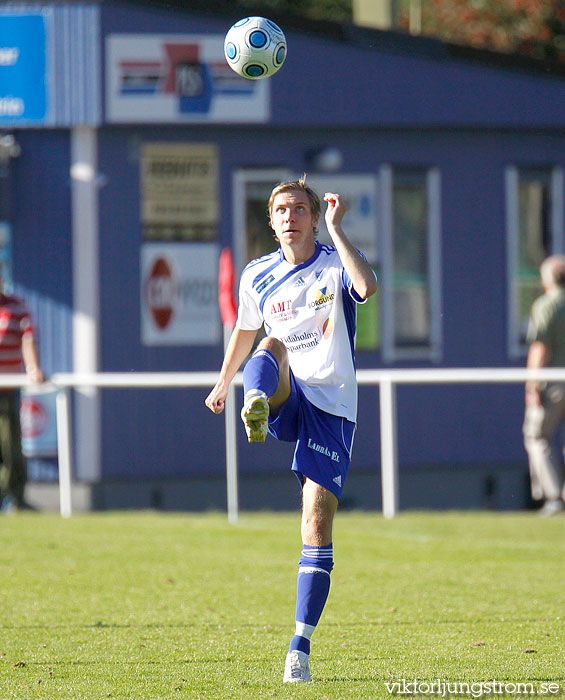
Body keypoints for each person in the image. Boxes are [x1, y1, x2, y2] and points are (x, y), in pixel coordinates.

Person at [205, 176, 377, 682]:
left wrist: (338, 229)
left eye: (299, 209)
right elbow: (245, 330)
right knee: (271, 345)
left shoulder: (333, 261)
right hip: (288, 387)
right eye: (281, 210)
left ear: (311, 215)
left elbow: (366, 287)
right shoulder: (257, 275)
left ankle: (299, 647)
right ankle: (254, 401)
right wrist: (223, 384)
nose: (289, 217)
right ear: (272, 221)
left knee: (316, 521)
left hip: (333, 405)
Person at [523, 255, 565, 517]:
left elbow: (541, 347)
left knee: (537, 436)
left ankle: (553, 498)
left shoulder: (546, 305)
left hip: (553, 383)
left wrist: (532, 385)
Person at [0, 276, 44, 512]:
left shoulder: (15, 306)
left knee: (9, 445)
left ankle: (13, 496)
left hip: (7, 390)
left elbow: (28, 337)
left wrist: (33, 367)